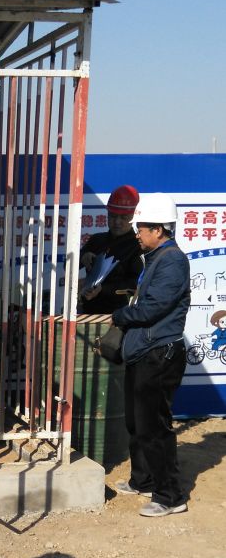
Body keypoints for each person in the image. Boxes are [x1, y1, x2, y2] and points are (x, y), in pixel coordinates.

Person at [111, 192, 189, 517]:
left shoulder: (172, 260)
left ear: (158, 229)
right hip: (144, 352)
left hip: (160, 354)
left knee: (154, 427)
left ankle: (170, 496)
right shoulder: (155, 258)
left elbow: (153, 308)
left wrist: (121, 315)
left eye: (141, 228)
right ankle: (142, 479)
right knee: (136, 422)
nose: (137, 234)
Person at [79, 184, 143, 313]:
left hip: (120, 313)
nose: (117, 222)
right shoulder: (96, 240)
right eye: (113, 216)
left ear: (134, 216)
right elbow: (67, 265)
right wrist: (82, 257)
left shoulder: (138, 246)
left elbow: (136, 283)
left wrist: (103, 289)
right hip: (88, 311)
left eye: (124, 217)